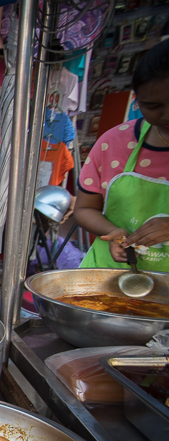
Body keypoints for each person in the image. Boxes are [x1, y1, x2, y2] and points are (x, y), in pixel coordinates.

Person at [74, 39, 169, 270]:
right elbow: (85, 208)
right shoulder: (114, 142)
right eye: (153, 106)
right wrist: (110, 231)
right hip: (109, 275)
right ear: (136, 99)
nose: (167, 116)